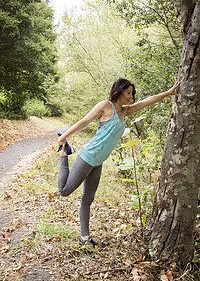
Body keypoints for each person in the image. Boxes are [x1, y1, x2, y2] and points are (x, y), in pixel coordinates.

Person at [57, 78, 179, 249]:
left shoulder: (124, 112)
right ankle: (64, 153)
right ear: (119, 91)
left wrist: (168, 92)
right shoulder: (105, 106)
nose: (131, 96)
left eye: (131, 93)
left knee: (88, 199)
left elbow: (146, 101)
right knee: (64, 191)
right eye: (128, 93)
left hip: (98, 161)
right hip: (87, 155)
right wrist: (64, 137)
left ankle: (85, 237)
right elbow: (84, 122)